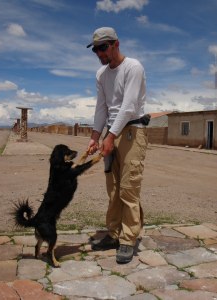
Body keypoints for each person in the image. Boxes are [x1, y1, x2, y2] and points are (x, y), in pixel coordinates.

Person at [86, 27, 149, 264]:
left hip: (132, 131)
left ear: (116, 44)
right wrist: (95, 137)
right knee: (112, 189)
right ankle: (113, 234)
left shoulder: (133, 67)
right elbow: (102, 107)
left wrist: (110, 137)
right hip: (111, 133)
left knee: (128, 188)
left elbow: (129, 106)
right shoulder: (101, 75)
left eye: (103, 47)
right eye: (96, 49)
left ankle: (128, 239)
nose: (100, 53)